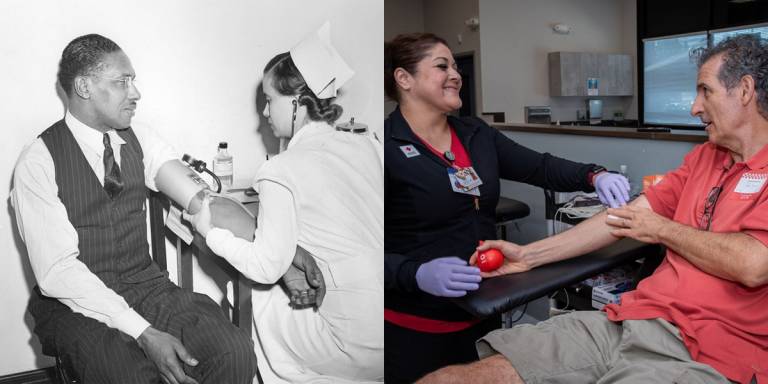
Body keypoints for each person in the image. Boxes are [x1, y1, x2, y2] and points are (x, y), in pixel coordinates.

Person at [419, 34, 768, 384]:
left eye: (705, 91)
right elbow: (623, 218)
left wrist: (661, 228)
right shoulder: (705, 157)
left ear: (744, 90)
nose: (694, 107)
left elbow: (753, 264)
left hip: (709, 353)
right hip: (633, 320)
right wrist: (528, 256)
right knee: (454, 378)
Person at [384, 32, 631, 383]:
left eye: (455, 65)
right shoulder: (383, 149)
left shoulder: (475, 133)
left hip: (483, 310)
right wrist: (415, 273)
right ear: (404, 78)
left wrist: (593, 175)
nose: (455, 74)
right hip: (418, 326)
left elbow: (539, 166)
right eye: (442, 66)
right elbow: (359, 253)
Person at [11, 34, 258, 384]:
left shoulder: (140, 138)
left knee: (233, 352)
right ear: (83, 86)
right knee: (129, 376)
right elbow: (59, 273)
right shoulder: (37, 162)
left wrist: (284, 252)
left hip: (146, 286)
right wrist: (144, 332)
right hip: (77, 302)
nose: (135, 92)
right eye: (122, 82)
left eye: (133, 81)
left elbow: (204, 202)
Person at [185, 24, 384, 383]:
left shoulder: (280, 169)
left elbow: (264, 266)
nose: (264, 112)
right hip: (391, 326)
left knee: (256, 292)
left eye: (269, 99)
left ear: (296, 102)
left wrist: (207, 232)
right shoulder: (368, 144)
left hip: (353, 347)